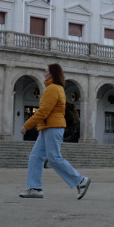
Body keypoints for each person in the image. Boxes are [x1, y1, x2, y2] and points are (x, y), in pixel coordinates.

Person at [19, 63, 91, 200]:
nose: (44, 72)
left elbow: (43, 112)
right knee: (35, 157)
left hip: (53, 127)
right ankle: (35, 188)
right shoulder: (54, 88)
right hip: (48, 128)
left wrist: (26, 125)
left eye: (46, 70)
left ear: (52, 73)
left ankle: (81, 181)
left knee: (54, 158)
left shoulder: (52, 88)